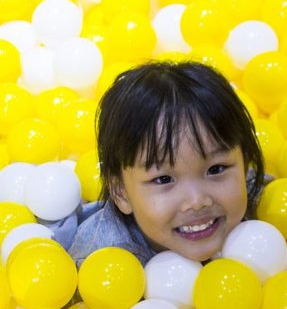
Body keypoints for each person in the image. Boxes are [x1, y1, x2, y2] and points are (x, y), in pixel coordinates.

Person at [47, 60, 267, 266]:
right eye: (163, 179)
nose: (197, 201)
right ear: (121, 192)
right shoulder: (103, 257)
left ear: (245, 162)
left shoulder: (261, 205)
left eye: (215, 169)